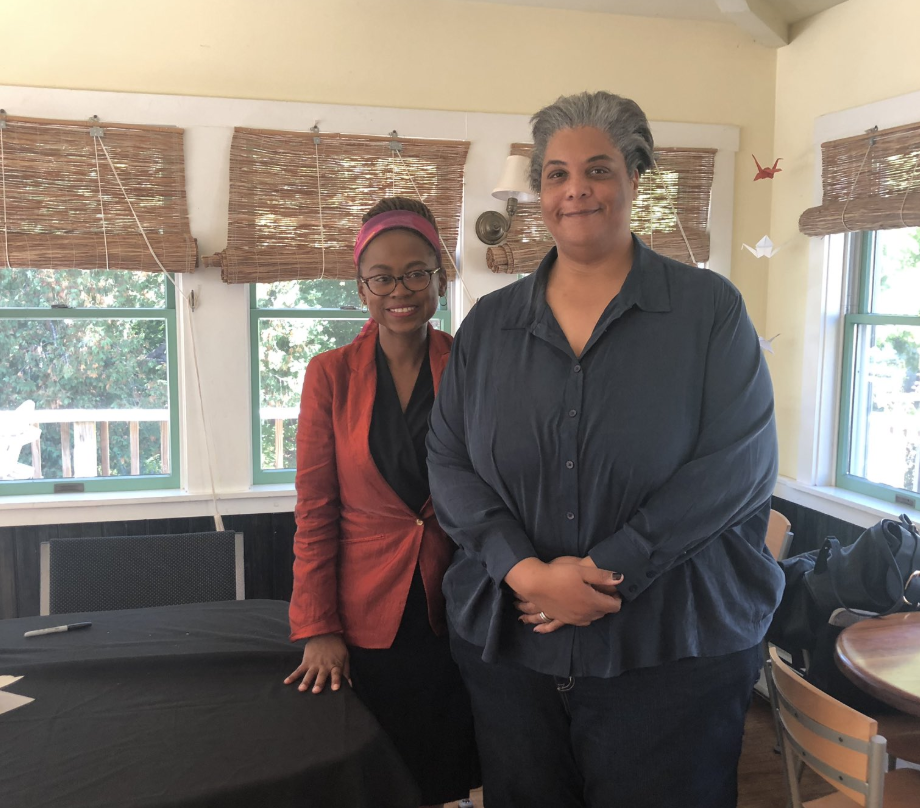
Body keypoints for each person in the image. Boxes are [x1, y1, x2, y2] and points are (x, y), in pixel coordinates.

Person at [427, 92, 784, 808]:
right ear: (538, 192)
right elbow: (449, 463)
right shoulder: (489, 326)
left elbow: (735, 468)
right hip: (513, 649)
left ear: (634, 178)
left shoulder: (708, 311)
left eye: (597, 169)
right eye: (555, 174)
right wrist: (524, 571)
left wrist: (603, 573)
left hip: (674, 650)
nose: (575, 189)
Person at [285, 197, 479, 808]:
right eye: (383, 276)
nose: (401, 289)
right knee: (377, 774)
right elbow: (315, 509)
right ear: (361, 286)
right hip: (368, 611)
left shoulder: (469, 363)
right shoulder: (330, 374)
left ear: (440, 279)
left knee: (449, 765)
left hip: (457, 602)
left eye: (417, 272)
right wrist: (318, 626)